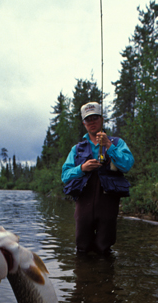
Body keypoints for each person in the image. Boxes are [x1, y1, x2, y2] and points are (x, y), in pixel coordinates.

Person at [62, 102, 134, 255]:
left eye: (95, 117)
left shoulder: (117, 143)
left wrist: (108, 145)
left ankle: (104, 276)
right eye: (88, 119)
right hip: (84, 200)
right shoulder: (76, 149)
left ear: (102, 119)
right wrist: (82, 168)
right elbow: (65, 175)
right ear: (84, 123)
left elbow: (127, 165)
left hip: (108, 200)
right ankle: (84, 277)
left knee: (104, 248)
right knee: (82, 247)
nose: (92, 122)